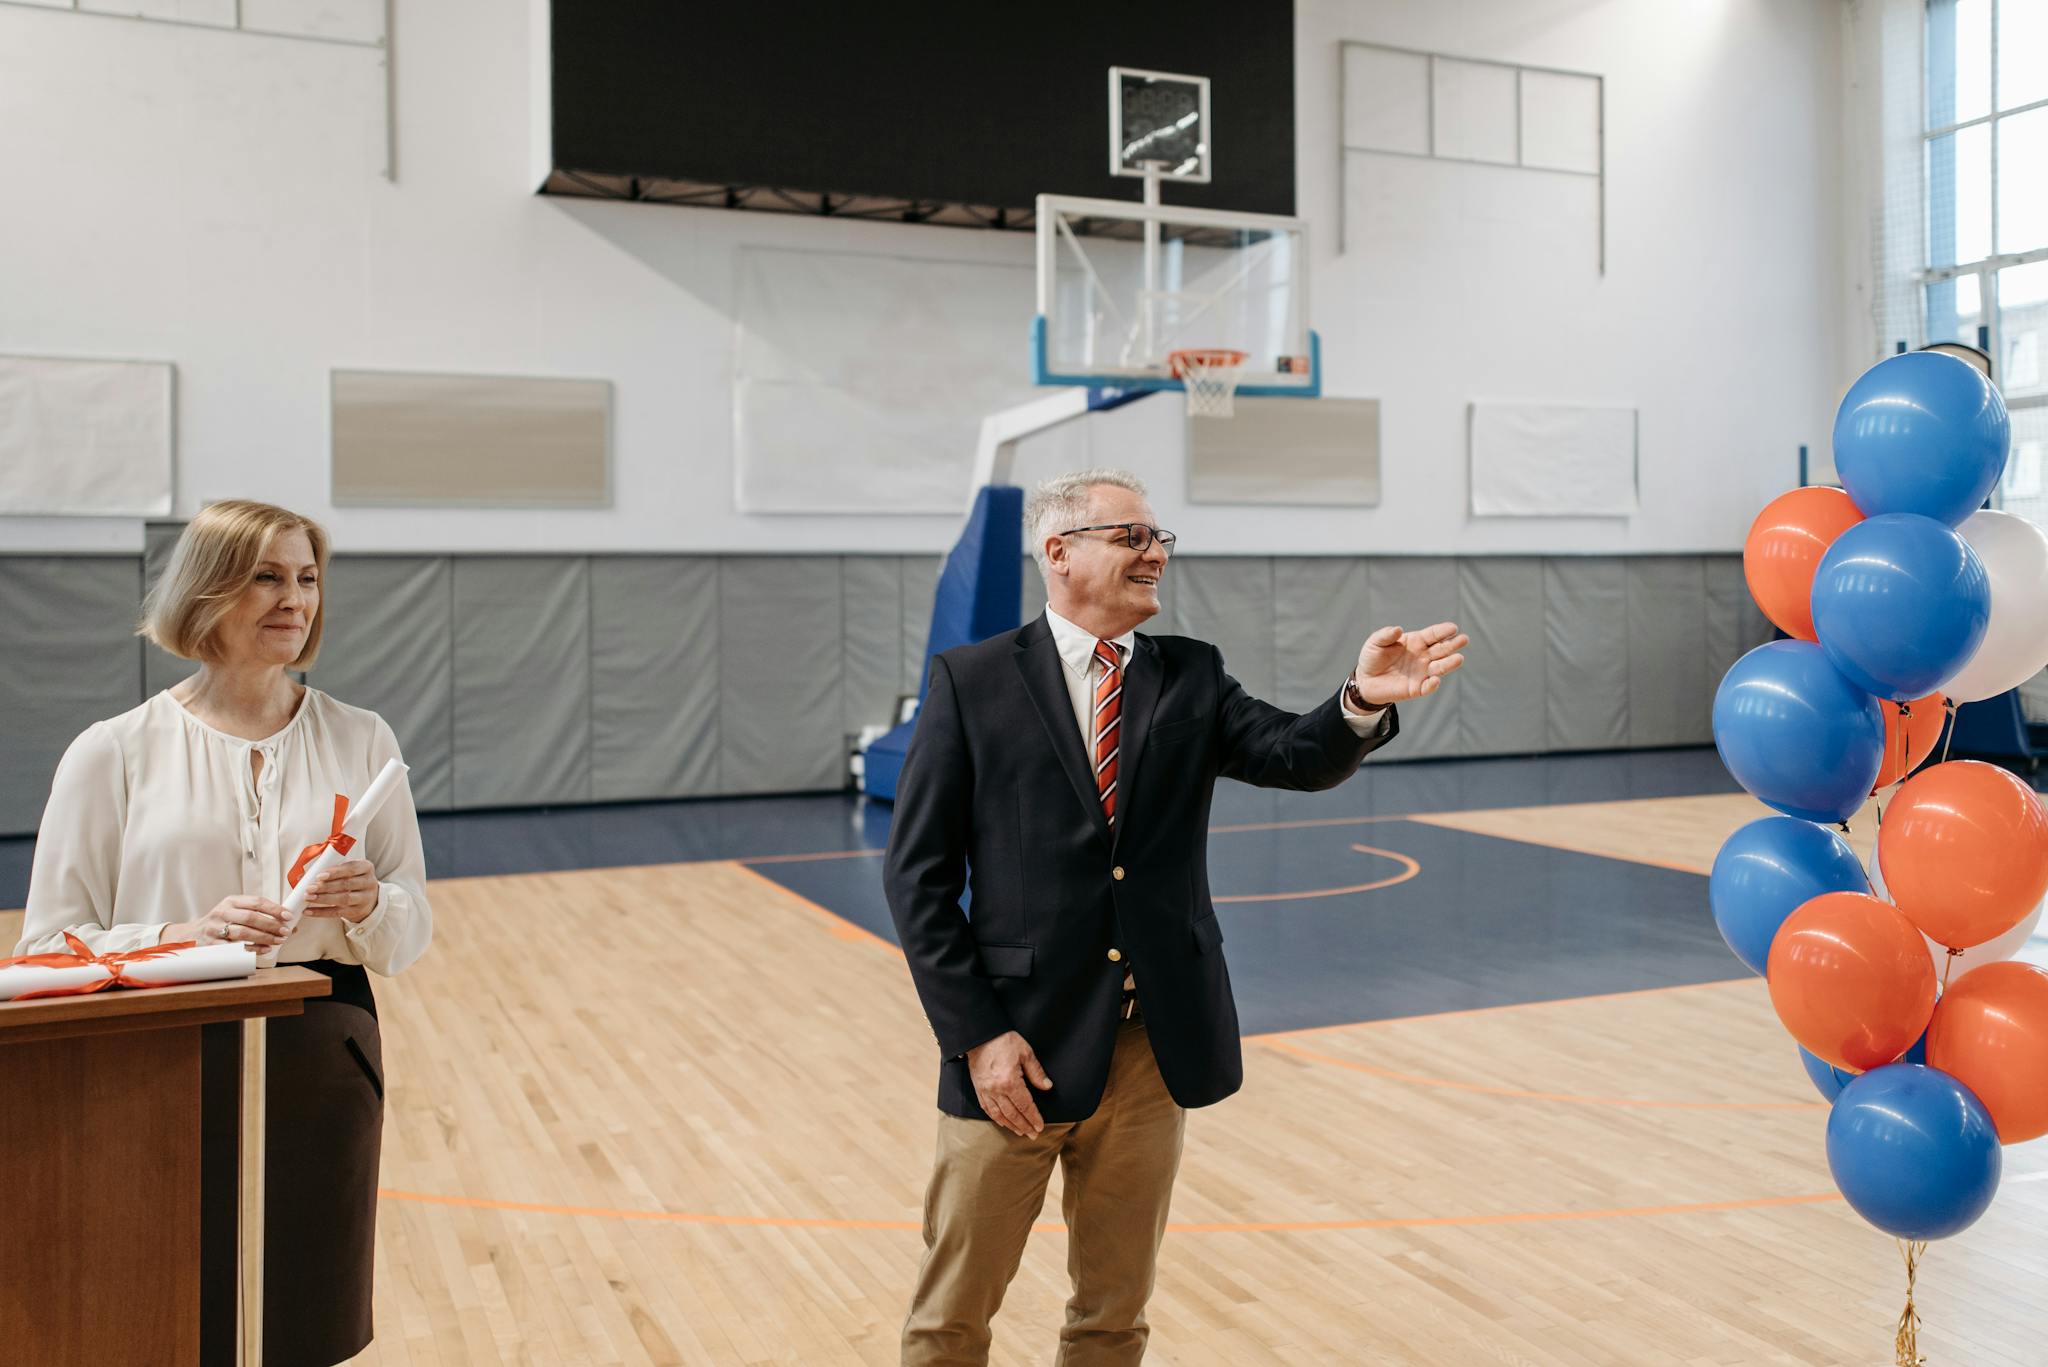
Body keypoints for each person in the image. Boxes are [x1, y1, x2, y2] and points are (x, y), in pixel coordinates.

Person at [885, 468, 1467, 1366]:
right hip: (1015, 1057)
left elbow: (1291, 754)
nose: (1156, 554)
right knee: (951, 1319)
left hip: (1150, 1051)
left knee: (1113, 1318)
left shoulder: (1189, 671)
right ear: (1059, 551)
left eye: (1160, 539)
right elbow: (918, 876)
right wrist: (978, 1034)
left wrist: (1359, 701)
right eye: (1133, 538)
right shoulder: (971, 681)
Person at [16, 498, 432, 1367]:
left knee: (305, 1315)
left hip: (325, 1049)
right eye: (266, 576)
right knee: (164, 1306)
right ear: (207, 592)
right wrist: (185, 934)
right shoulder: (114, 750)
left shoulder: (363, 739)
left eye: (308, 578)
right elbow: (49, 946)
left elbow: (407, 936)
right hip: (155, 1055)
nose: (295, 599)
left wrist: (368, 905)